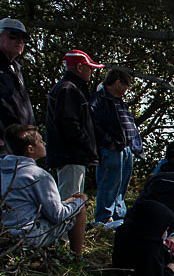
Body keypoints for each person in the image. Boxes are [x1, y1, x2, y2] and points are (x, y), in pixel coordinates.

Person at [0, 124, 87, 256]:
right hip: (27, 236)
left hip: (5, 234)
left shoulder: (3, 170)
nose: (45, 143)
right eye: (40, 141)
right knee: (79, 210)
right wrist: (80, 201)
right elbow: (57, 215)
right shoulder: (38, 175)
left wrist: (69, 201)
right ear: (30, 149)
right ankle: (77, 259)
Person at [46, 49, 104, 200]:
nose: (91, 71)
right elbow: (67, 123)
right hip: (71, 154)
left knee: (73, 197)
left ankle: (71, 223)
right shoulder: (68, 89)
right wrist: (85, 142)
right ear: (79, 67)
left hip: (73, 154)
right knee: (70, 199)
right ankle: (67, 224)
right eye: (89, 67)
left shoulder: (72, 88)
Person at [90, 68, 143, 224]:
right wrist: (109, 142)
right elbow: (94, 124)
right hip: (111, 148)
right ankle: (104, 218)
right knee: (109, 182)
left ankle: (119, 216)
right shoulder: (99, 99)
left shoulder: (118, 101)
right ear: (118, 82)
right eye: (127, 85)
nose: (127, 89)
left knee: (122, 184)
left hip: (126, 148)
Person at [112, 199, 174, 276]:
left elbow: (161, 250)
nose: (165, 231)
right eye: (164, 227)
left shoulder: (128, 233)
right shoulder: (149, 250)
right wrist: (169, 270)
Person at [0, 18, 35, 154]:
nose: (19, 41)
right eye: (13, 36)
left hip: (20, 145)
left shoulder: (16, 69)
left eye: (23, 38)